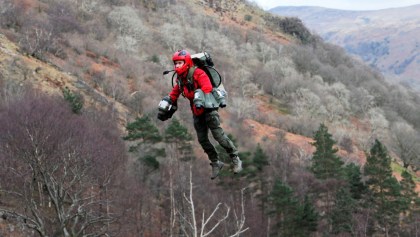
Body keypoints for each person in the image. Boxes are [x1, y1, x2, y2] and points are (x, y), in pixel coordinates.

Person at [158, 49, 242, 179]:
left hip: (209, 109)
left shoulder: (198, 73)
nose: (177, 66)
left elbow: (207, 87)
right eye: (175, 63)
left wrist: (198, 96)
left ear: (186, 62)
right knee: (202, 139)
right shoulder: (181, 79)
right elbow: (174, 93)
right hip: (197, 111)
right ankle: (215, 162)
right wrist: (166, 106)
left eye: (179, 63)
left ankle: (235, 158)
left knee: (219, 136)